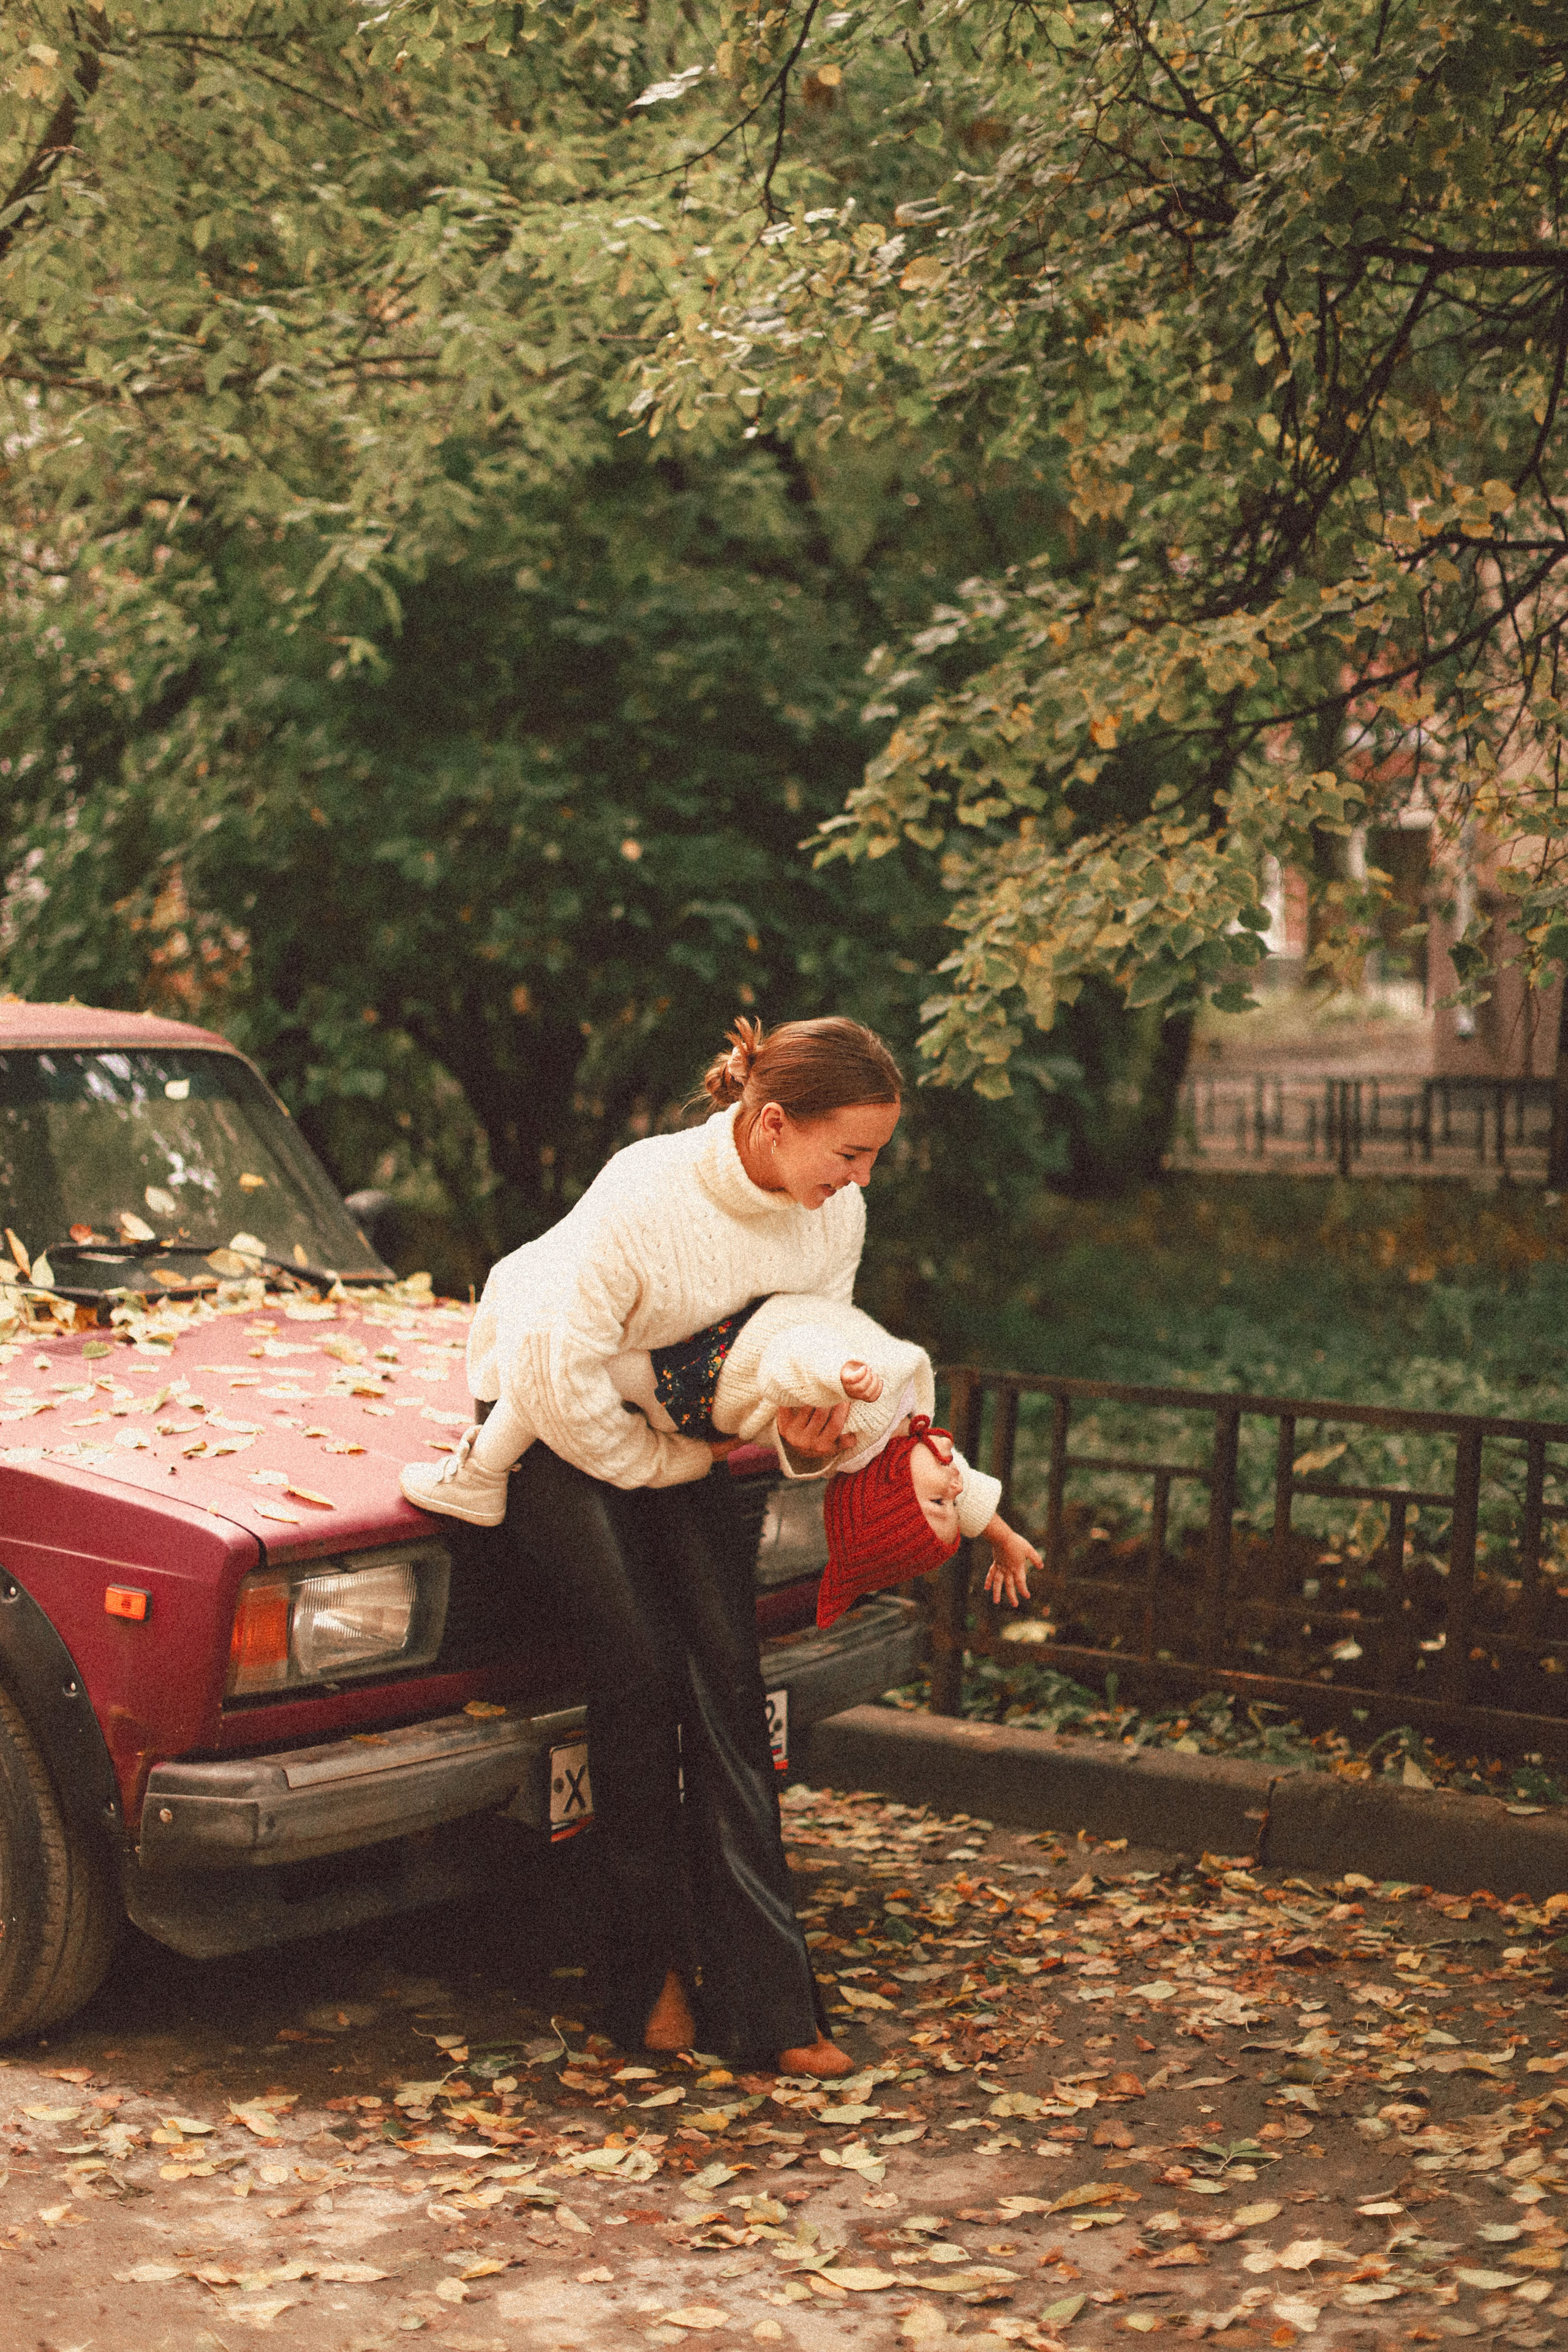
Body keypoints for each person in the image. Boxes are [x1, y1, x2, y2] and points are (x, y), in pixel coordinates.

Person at [399, 1016, 902, 2077]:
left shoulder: (834, 1216)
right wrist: (660, 1465)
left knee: (726, 1669)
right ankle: (644, 1986)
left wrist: (806, 1434)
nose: (860, 1178)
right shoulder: (648, 1193)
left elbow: (803, 1356)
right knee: (634, 1665)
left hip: (683, 1421)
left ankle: (773, 2007)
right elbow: (551, 1367)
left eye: (873, 1157)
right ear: (772, 1123)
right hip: (551, 1405)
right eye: (848, 1153)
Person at [603, 1289, 1041, 1616]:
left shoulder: (859, 1430)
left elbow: (786, 1360)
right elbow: (962, 1490)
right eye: (952, 1502)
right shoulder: (907, 1443)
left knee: (621, 1370)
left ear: (892, 1487)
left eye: (940, 1501)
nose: (955, 1485)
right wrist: (1002, 1539)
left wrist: (833, 1373)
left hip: (699, 1375)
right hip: (745, 1325)